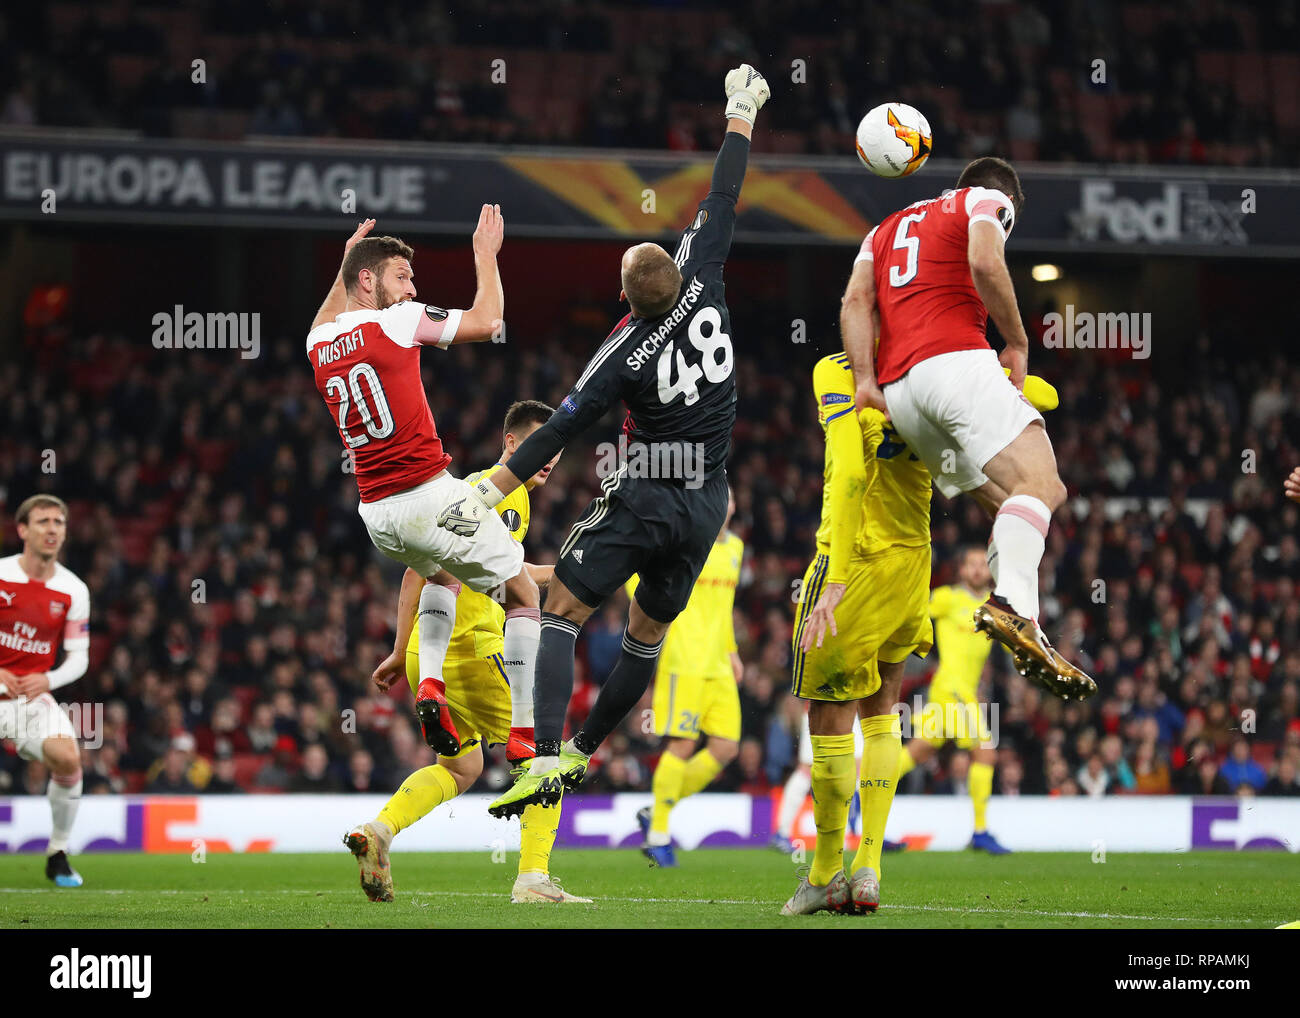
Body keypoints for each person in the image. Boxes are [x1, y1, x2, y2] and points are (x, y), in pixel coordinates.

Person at [439, 65, 771, 826]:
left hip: (650, 486)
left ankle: (549, 752)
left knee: (559, 609)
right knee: (645, 637)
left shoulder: (623, 351)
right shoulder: (705, 273)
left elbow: (561, 425)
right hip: (708, 501)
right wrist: (740, 113)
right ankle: (587, 750)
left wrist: (488, 489)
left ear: (625, 297)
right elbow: (722, 197)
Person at [841, 156, 1095, 700]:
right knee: (1045, 485)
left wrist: (866, 380)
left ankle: (1023, 614)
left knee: (1009, 503)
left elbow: (856, 301)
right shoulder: (987, 201)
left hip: (902, 395)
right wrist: (1019, 342)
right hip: (955, 362)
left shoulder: (882, 228)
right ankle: (1013, 607)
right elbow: (983, 262)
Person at [306, 211, 541, 762]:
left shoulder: (318, 344)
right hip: (426, 495)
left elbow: (327, 316)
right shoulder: (399, 320)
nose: (413, 288)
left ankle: (430, 684)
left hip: (376, 515)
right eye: (401, 276)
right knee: (526, 596)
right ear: (368, 281)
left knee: (441, 574)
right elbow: (488, 321)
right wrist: (486, 252)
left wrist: (344, 262)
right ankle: (525, 730)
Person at [345, 402, 589, 904]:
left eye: (558, 451)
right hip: (474, 650)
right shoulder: (506, 493)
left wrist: (399, 650)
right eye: (541, 446)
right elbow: (446, 574)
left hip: (430, 652)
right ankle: (533, 879)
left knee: (461, 768)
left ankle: (380, 831)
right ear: (512, 444)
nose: (551, 459)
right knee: (546, 753)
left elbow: (430, 569)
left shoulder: (477, 491)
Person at [630, 486, 744, 867]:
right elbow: (639, 577)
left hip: (719, 664)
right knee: (681, 744)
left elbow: (723, 609)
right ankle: (659, 833)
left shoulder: (736, 550)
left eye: (731, 499)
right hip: (684, 660)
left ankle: (656, 808)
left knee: (726, 746)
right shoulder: (687, 539)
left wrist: (732, 651)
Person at [0, 494, 90, 887]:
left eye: (59, 522)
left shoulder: (74, 589)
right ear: (23, 530)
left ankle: (58, 852)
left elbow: (79, 657)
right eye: (43, 522)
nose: (53, 529)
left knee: (68, 758)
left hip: (30, 699)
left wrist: (47, 680)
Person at [898, 546, 1012, 853]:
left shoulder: (995, 609)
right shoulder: (947, 598)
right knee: (986, 754)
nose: (976, 569)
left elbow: (1013, 644)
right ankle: (980, 831)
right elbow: (914, 612)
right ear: (961, 570)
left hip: (953, 692)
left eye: (981, 564)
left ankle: (860, 795)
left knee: (918, 752)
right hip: (953, 691)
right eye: (970, 564)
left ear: (989, 570)